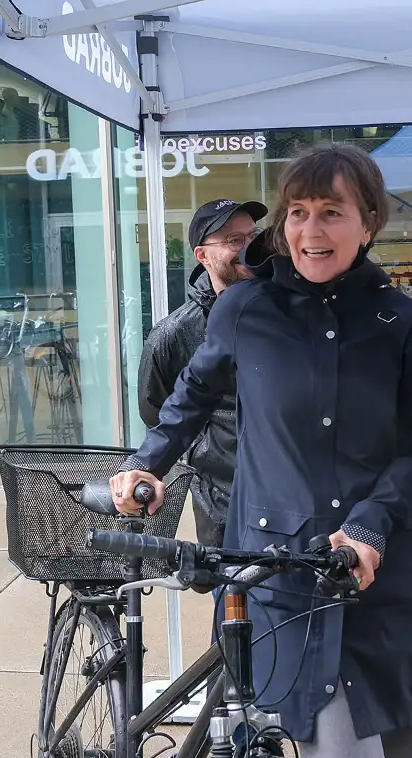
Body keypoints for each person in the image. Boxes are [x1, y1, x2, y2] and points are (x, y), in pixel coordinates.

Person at [111, 144, 412, 758]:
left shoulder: (397, 318)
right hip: (282, 569)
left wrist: (371, 523)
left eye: (332, 212)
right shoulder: (246, 308)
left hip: (379, 570)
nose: (310, 229)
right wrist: (145, 463)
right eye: (298, 212)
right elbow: (190, 397)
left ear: (369, 223)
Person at [137, 198, 267, 549]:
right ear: (202, 256)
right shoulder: (174, 334)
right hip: (222, 504)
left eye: (253, 236)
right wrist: (210, 452)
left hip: (289, 503)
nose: (249, 247)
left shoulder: (288, 312)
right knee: (230, 586)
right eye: (233, 240)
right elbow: (158, 412)